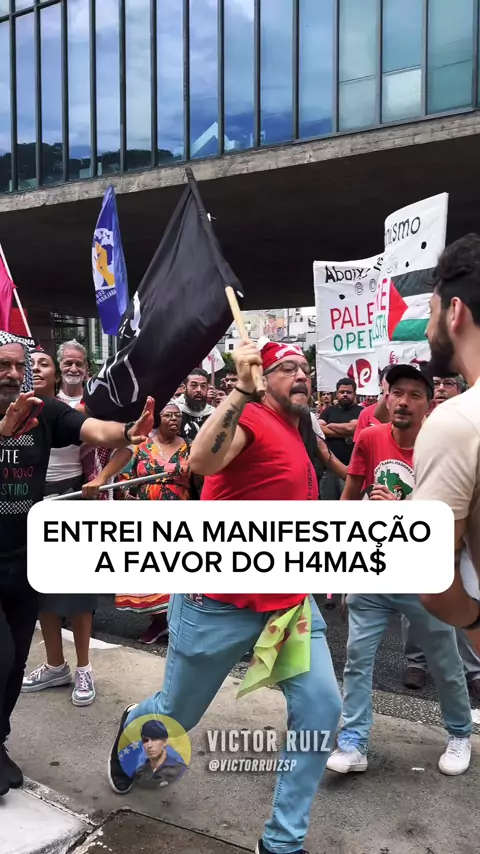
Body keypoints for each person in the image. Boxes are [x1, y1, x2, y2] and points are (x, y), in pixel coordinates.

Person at [106, 339, 342, 854]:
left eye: (305, 367)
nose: (302, 375)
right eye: (287, 368)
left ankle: (281, 842)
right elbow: (202, 461)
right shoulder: (250, 416)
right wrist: (239, 392)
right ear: (263, 377)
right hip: (217, 602)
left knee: (322, 707)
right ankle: (132, 728)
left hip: (289, 605)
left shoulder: (300, 427)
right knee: (176, 717)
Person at [0, 331, 154, 796]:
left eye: (17, 366)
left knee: (14, 662)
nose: (11, 374)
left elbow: (94, 430)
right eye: (2, 365)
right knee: (1, 656)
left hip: (26, 559)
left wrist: (127, 432)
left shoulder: (43, 411)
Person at [326, 364, 473, 777]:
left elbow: (454, 515)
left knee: (444, 661)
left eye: (415, 395)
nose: (404, 401)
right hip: (373, 573)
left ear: (428, 405)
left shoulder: (444, 445)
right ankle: (353, 742)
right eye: (397, 392)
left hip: (425, 577)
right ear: (386, 398)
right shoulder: (370, 437)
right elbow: (350, 496)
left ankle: (459, 733)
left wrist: (404, 511)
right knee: (357, 658)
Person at [411, 234, 480, 654]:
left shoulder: (457, 421)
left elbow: (431, 578)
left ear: (455, 312)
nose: (425, 327)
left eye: (430, 311)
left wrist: (474, 622)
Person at [21, 350, 99, 705]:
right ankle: (55, 665)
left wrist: (100, 480)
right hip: (30, 503)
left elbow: (120, 445)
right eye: (31, 364)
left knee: (79, 592)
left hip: (72, 500)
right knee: (41, 589)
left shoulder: (79, 411)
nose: (36, 369)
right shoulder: (14, 409)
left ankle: (84, 668)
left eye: (44, 364)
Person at [84, 401, 195, 645]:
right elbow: (124, 477)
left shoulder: (190, 447)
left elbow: (201, 476)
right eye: (169, 415)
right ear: (159, 419)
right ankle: (159, 622)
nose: (174, 419)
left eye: (178, 416)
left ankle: (177, 625)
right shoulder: (142, 446)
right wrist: (127, 494)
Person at [402, 371, 480, 697]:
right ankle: (415, 663)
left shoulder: (465, 423)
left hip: (463, 531)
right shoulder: (416, 424)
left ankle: (474, 668)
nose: (441, 389)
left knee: (468, 595)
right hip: (422, 529)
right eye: (436, 384)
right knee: (418, 604)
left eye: (448, 383)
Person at [319, 378, 362, 499]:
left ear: (355, 394)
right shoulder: (328, 411)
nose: (345, 394)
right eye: (342, 392)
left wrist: (331, 426)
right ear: (336, 394)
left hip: (353, 470)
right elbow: (319, 429)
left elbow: (352, 428)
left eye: (349, 392)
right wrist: (347, 432)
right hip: (330, 468)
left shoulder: (361, 411)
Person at [177, 368, 214, 441]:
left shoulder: (214, 414)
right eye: (194, 385)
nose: (199, 390)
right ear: (184, 388)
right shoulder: (175, 412)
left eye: (203, 386)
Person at [353, 366, 390, 441]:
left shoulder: (409, 413)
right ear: (381, 384)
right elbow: (359, 443)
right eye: (389, 379)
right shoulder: (366, 413)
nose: (394, 384)